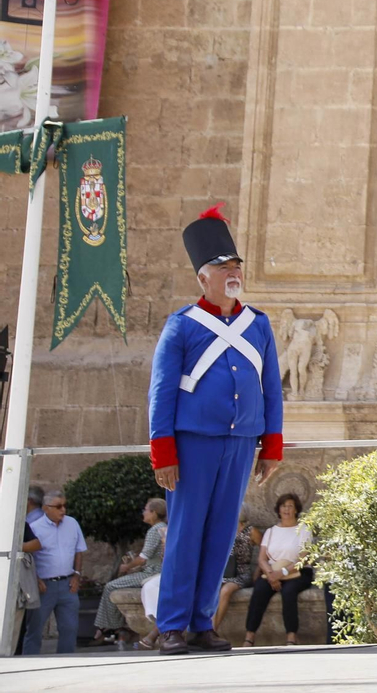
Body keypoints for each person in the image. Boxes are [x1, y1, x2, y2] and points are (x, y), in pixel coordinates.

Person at [148, 203, 283, 655]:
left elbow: (270, 388)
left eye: (235, 265)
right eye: (222, 266)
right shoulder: (182, 325)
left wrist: (272, 444)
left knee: (222, 534)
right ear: (202, 277)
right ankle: (171, 625)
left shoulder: (258, 324)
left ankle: (202, 622)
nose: (232, 272)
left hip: (241, 442)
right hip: (192, 444)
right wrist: (162, 452)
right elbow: (163, 391)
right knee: (185, 532)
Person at [244, 493, 315, 646]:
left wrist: (281, 573)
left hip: (298, 572)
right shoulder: (271, 531)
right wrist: (271, 574)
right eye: (283, 506)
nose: (286, 509)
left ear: (296, 509)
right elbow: (262, 558)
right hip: (273, 572)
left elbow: (303, 559)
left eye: (290, 506)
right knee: (259, 591)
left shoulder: (304, 529)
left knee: (288, 592)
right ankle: (249, 637)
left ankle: (291, 636)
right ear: (279, 509)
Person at [20, 490, 87, 654]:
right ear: (45, 508)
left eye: (64, 506)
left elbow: (79, 550)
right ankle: (28, 664)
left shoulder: (72, 524)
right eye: (58, 506)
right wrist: (35, 579)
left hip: (68, 584)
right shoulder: (35, 528)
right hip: (44, 586)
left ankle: (66, 662)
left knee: (70, 629)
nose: (62, 510)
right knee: (35, 629)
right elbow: (28, 558)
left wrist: (77, 575)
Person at [92, 497, 167, 643]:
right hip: (158, 571)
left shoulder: (154, 530)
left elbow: (143, 558)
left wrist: (126, 566)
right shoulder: (164, 528)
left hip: (152, 573)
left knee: (111, 586)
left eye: (146, 510)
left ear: (154, 513)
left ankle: (110, 626)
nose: (143, 513)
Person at [212, 515, 259, 630]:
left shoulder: (251, 530)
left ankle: (212, 630)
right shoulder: (224, 528)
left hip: (242, 572)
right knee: (212, 592)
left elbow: (265, 548)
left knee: (226, 591)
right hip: (225, 572)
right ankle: (208, 631)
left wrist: (258, 570)